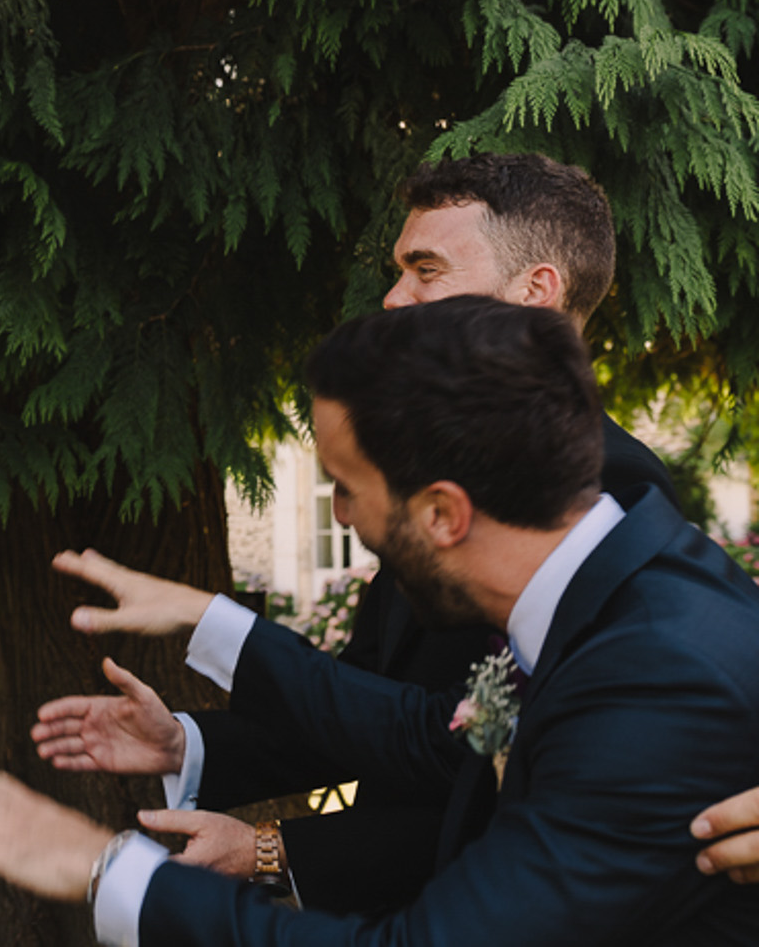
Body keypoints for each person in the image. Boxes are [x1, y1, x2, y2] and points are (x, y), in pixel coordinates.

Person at [0, 296, 759, 946]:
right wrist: (209, 648)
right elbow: (438, 740)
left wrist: (102, 869)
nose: (342, 514)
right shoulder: (609, 587)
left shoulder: (654, 674)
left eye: (346, 486)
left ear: (442, 515)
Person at [34, 152, 670, 913]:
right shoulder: (433, 471)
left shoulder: (615, 491)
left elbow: (474, 754)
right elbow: (371, 699)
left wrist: (275, 847)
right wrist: (187, 743)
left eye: (426, 270)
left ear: (535, 293)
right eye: (398, 270)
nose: (393, 299)